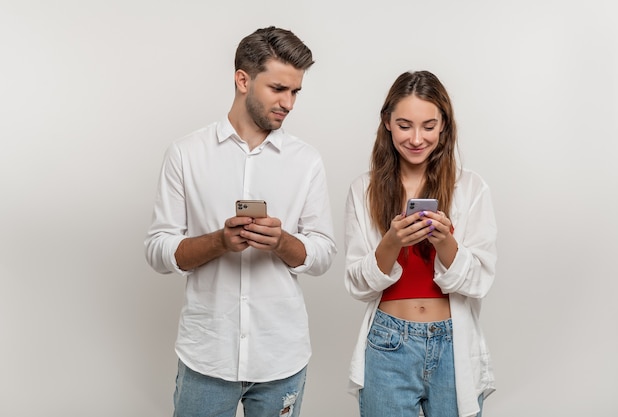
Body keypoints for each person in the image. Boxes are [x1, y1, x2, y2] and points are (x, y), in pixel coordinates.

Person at [144, 26, 336, 417]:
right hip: (207, 357)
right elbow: (157, 250)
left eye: (295, 91)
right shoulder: (185, 154)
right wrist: (218, 242)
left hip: (281, 357)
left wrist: (282, 242)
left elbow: (323, 254)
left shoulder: (307, 161)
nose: (289, 103)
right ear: (243, 79)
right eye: (279, 89)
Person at [343, 71, 497, 417]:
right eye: (404, 125)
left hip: (453, 343)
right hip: (388, 343)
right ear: (387, 123)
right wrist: (392, 242)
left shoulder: (471, 188)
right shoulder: (363, 190)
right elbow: (357, 283)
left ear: (444, 125)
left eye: (428, 126)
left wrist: (445, 243)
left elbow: (481, 280)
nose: (416, 138)